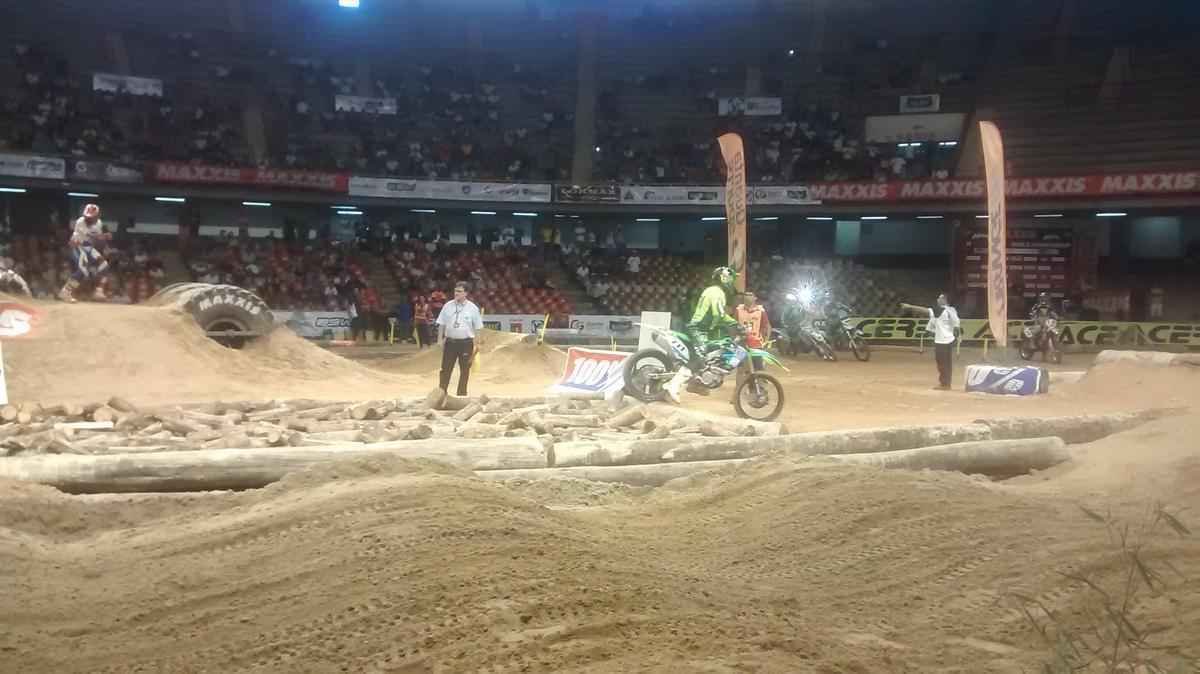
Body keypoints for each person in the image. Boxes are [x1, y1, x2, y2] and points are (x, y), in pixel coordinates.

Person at [663, 265, 744, 404]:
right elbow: (719, 314)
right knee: (698, 359)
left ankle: (697, 383)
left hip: (702, 328)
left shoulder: (714, 291)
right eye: (731, 278)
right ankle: (673, 386)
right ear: (724, 278)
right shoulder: (716, 292)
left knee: (711, 357)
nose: (732, 282)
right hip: (697, 329)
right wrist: (736, 325)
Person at [901, 293, 961, 390]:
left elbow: (924, 310)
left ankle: (944, 384)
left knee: (941, 363)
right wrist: (955, 330)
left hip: (942, 341)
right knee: (947, 363)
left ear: (944, 300)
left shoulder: (940, 310)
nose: (938, 299)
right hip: (950, 339)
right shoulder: (952, 310)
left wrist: (910, 307)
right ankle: (947, 382)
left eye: (940, 298)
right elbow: (955, 323)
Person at [436, 281, 485, 396]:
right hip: (450, 342)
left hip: (466, 343)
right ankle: (442, 393)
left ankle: (461, 394)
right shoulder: (447, 306)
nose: (456, 293)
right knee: (445, 369)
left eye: (459, 291)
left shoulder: (472, 308)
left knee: (465, 369)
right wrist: (439, 340)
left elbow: (478, 327)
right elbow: (441, 323)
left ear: (466, 293)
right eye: (455, 291)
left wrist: (478, 343)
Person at [59, 203, 111, 303]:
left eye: (91, 217)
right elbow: (92, 237)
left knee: (104, 265)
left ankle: (98, 291)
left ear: (97, 216)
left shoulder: (99, 223)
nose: (88, 219)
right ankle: (66, 291)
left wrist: (105, 244)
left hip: (88, 247)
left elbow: (97, 239)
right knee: (83, 271)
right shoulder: (80, 222)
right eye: (87, 216)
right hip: (77, 246)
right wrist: (104, 236)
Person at [731, 289, 771, 402]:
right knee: (740, 370)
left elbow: (767, 326)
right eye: (746, 295)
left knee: (759, 370)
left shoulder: (760, 311)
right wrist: (733, 340)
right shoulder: (738, 310)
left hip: (756, 344)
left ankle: (761, 393)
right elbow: (733, 325)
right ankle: (736, 396)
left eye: (750, 295)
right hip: (741, 345)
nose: (747, 297)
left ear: (755, 298)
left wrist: (766, 341)